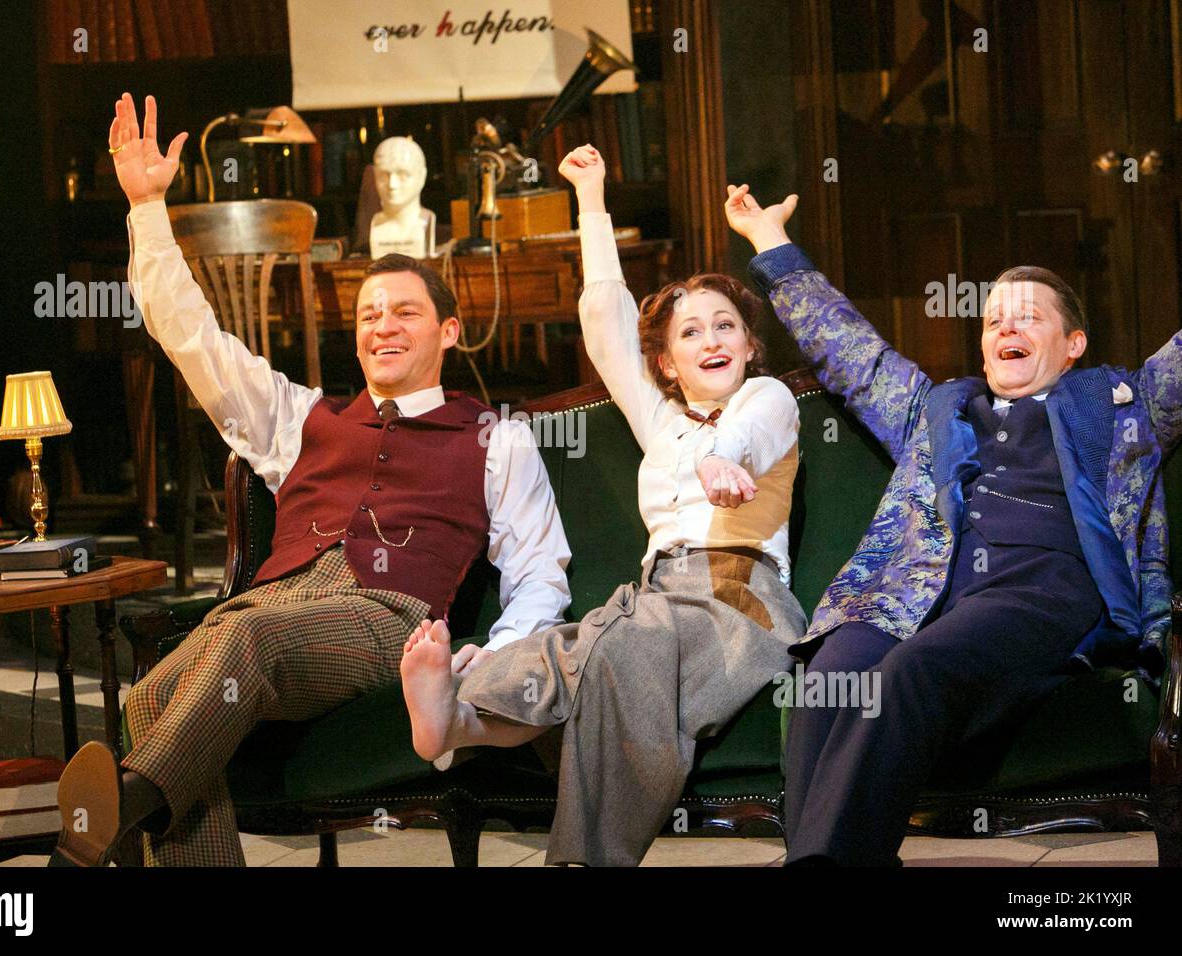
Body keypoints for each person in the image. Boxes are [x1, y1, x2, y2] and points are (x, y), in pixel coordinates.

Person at [50, 93, 572, 867]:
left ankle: (113, 815)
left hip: (381, 615)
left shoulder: (495, 437)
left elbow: (538, 572)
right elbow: (191, 338)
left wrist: (487, 661)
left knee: (241, 636)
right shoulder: (300, 418)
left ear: (449, 331)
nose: (382, 326)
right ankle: (136, 814)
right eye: (367, 315)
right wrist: (148, 206)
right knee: (152, 699)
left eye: (404, 312)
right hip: (271, 602)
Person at [723, 182, 1177, 865]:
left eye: (1028, 319)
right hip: (919, 593)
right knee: (832, 671)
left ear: (1074, 341)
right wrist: (770, 242)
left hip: (1044, 589)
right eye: (994, 321)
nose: (1005, 331)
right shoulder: (937, 410)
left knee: (912, 670)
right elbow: (852, 355)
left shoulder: (1125, 403)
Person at [399, 145, 808, 866]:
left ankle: (487, 747)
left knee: (610, 653)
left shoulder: (766, 399)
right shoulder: (663, 421)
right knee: (576, 652)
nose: (710, 338)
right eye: (689, 332)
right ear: (665, 364)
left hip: (744, 595)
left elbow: (749, 436)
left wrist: (720, 460)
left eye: (724, 326)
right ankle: (454, 715)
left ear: (749, 343)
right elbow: (606, 326)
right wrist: (591, 198)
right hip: (655, 596)